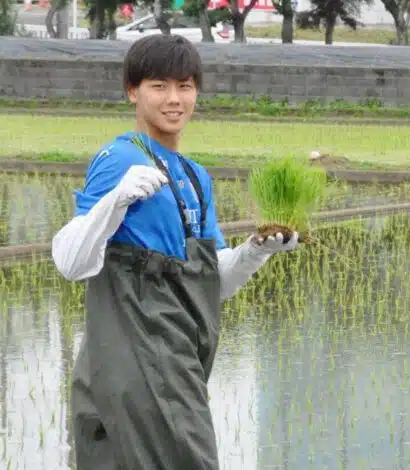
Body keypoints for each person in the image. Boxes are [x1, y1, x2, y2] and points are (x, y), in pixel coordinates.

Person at [51, 34, 299, 469]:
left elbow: (210, 283)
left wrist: (255, 251)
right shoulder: (119, 158)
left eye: (184, 86)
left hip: (176, 357)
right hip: (136, 359)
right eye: (158, 86)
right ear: (133, 91)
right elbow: (71, 261)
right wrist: (117, 199)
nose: (174, 99)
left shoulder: (196, 177)